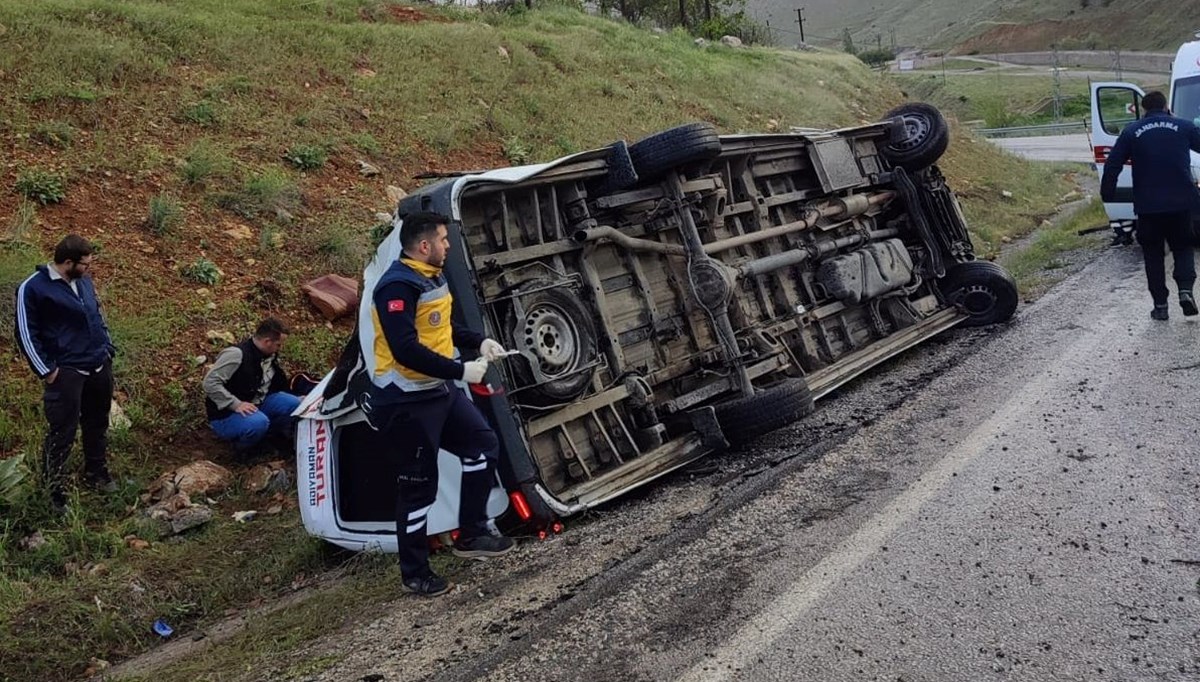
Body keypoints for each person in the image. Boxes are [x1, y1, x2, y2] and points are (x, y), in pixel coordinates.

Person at [360, 210, 514, 597]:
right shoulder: (395, 287)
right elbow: (405, 350)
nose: (448, 246)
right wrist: (460, 371)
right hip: (404, 402)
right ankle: (414, 573)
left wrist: (477, 341)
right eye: (443, 240)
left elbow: (441, 328)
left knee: (482, 445)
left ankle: (473, 533)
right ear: (424, 245)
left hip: (436, 391)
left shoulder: (432, 274)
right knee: (418, 488)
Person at [15, 234, 117, 511]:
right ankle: (53, 491)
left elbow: (97, 313)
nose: (89, 269)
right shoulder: (32, 288)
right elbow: (25, 332)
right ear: (68, 262)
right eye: (85, 264)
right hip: (66, 371)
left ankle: (96, 472)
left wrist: (107, 347)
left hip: (97, 363)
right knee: (63, 431)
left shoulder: (83, 281)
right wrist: (47, 370)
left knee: (97, 423)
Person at [1101, 90, 1200, 320]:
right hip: (1181, 203)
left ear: (1144, 109)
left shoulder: (1131, 131)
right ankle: (1185, 291)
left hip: (1148, 207)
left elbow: (1112, 164)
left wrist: (1107, 193)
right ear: (1166, 106)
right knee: (1183, 247)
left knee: (1153, 254)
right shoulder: (1184, 127)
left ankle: (1160, 306)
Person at [203, 317, 299, 458]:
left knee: (294, 403)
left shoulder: (268, 355)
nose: (280, 348)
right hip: (226, 415)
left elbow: (274, 383)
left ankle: (266, 438)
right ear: (267, 342)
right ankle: (243, 450)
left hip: (256, 403)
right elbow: (210, 383)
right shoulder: (236, 355)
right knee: (258, 422)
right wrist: (235, 404)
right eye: (279, 344)